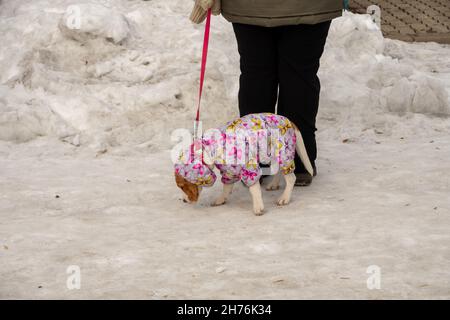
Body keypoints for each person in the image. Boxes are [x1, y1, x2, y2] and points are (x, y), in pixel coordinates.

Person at [190, 0, 343, 186]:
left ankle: (254, 161)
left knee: (256, 77)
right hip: (310, 5)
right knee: (299, 79)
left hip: (250, 7)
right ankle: (298, 162)